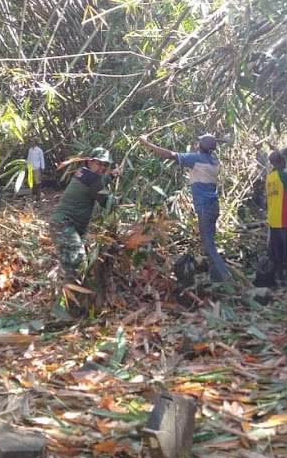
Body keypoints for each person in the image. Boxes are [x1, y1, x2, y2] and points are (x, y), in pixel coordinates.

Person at [138, 132, 233, 283]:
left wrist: (146, 143)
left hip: (205, 207)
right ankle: (217, 278)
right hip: (213, 206)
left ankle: (225, 278)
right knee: (209, 242)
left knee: (208, 245)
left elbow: (170, 155)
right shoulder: (213, 161)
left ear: (200, 146)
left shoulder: (197, 159)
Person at [49, 147, 122, 318]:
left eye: (106, 165)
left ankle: (72, 306)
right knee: (76, 262)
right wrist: (118, 198)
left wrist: (112, 175)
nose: (103, 168)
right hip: (65, 225)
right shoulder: (93, 180)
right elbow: (107, 202)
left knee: (76, 266)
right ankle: (60, 309)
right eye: (99, 164)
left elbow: (100, 181)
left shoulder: (84, 173)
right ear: (90, 162)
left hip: (67, 225)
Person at [265, 150, 287, 286]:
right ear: (281, 162)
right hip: (286, 218)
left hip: (273, 219)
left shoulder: (269, 178)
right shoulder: (285, 177)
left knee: (277, 250)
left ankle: (279, 277)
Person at [27, 137, 45, 202]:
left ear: (35, 142)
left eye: (32, 141)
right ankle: (34, 194)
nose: (31, 143)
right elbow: (28, 158)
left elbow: (41, 159)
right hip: (31, 167)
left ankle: (38, 195)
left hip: (37, 167)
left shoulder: (39, 150)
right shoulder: (30, 150)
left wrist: (42, 167)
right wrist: (27, 166)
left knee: (38, 181)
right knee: (32, 181)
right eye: (30, 141)